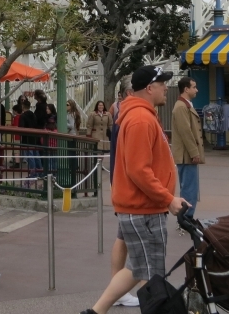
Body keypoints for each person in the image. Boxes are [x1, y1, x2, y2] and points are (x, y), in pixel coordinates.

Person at [80, 65, 189, 314]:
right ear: (149, 88)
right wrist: (168, 198)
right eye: (162, 84)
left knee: (139, 268)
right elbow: (139, 170)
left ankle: (95, 311)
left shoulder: (140, 115)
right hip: (145, 208)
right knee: (152, 274)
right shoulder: (141, 119)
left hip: (141, 206)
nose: (166, 88)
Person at [108, 78, 140, 308]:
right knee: (130, 241)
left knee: (123, 238)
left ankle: (116, 289)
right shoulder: (127, 118)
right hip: (128, 187)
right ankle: (116, 290)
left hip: (122, 183)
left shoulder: (122, 116)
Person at [171, 76, 205, 217]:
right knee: (189, 188)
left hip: (188, 155)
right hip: (186, 155)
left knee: (191, 187)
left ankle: (187, 216)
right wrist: (194, 152)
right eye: (194, 87)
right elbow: (186, 132)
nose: (196, 90)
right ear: (186, 89)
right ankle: (186, 217)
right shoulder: (181, 107)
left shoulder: (185, 105)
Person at [17, 97, 43, 181]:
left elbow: (21, 127)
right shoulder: (33, 114)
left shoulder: (23, 116)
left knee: (30, 155)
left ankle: (33, 173)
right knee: (36, 154)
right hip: (34, 137)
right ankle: (40, 171)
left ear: (22, 107)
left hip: (27, 138)